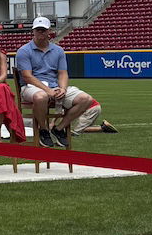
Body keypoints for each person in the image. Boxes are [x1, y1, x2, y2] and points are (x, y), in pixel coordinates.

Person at [16, 16, 102, 148]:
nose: (41, 33)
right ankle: (44, 130)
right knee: (41, 96)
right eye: (38, 30)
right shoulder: (24, 51)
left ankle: (59, 128)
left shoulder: (58, 50)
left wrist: (63, 88)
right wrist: (48, 91)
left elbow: (63, 73)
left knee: (86, 99)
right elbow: (27, 77)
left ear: (49, 31)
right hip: (31, 87)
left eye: (43, 30)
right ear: (33, 31)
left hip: (54, 86)